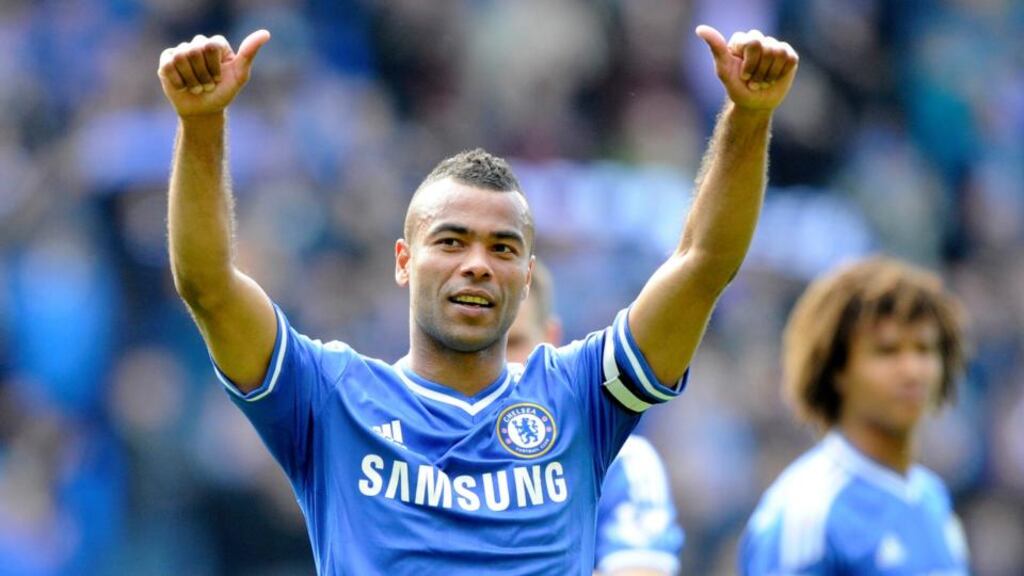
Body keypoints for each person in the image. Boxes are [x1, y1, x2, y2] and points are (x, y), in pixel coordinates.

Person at [159, 23, 798, 575]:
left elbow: (702, 265)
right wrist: (202, 124)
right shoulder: (328, 399)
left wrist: (749, 116)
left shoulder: (578, 398)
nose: (477, 265)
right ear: (404, 262)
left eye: (502, 248)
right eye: (452, 241)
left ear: (527, 275)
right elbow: (208, 285)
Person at [739, 257, 970, 574]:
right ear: (836, 370)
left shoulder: (933, 500)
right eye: (887, 351)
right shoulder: (807, 513)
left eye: (924, 349)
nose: (912, 370)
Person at [506, 260, 684, 576]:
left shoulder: (624, 462)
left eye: (513, 343)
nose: (499, 362)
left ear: (550, 337)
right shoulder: (414, 447)